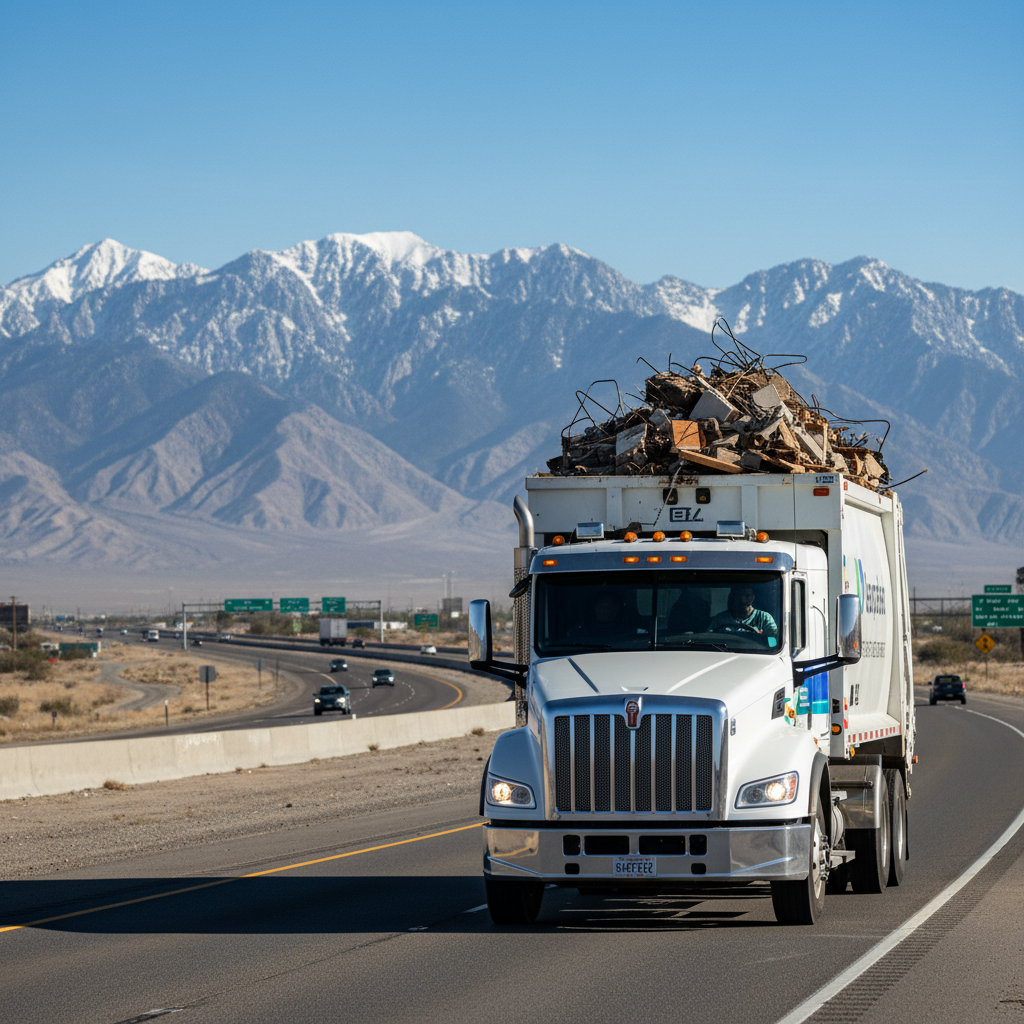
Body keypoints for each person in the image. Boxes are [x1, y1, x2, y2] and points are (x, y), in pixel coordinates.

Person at [709, 586, 778, 642]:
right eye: (738, 595)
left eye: (747, 596)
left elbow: (773, 643)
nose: (743, 600)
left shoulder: (765, 618)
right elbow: (709, 639)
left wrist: (760, 638)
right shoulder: (720, 619)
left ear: (753, 597)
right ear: (732, 597)